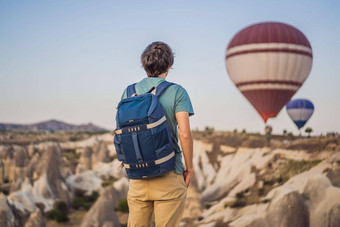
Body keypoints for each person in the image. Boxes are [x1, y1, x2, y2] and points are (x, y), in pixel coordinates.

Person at [120, 41, 194, 227]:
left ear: (145, 65)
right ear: (169, 66)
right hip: (169, 173)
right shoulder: (177, 91)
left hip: (138, 176)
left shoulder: (129, 92)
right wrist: (189, 168)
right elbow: (184, 134)